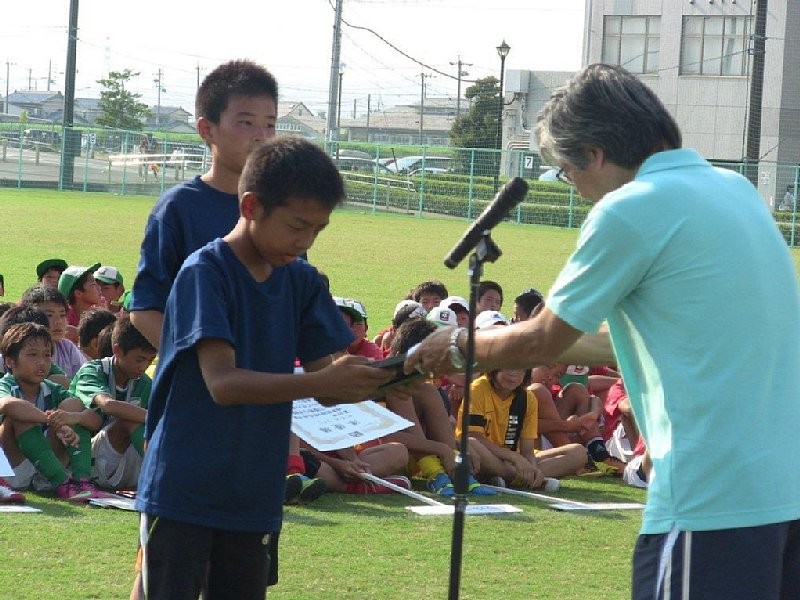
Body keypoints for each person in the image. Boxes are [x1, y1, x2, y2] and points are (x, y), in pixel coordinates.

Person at [407, 64, 800, 599]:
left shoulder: (631, 207)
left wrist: (457, 346)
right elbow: (649, 339)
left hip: (710, 497)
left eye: (567, 171)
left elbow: (542, 339)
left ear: (594, 154)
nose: (574, 188)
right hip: (783, 490)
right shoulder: (736, 190)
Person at [135, 137, 395, 600]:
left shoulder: (302, 280)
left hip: (255, 489)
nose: (305, 242)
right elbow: (223, 383)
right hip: (185, 485)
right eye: (297, 226)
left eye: (318, 230)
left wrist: (400, 373)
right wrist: (323, 380)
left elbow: (329, 385)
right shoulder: (205, 272)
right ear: (251, 206)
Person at [130, 59, 278, 349]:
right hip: (203, 376)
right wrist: (196, 363)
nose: (261, 136)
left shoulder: (280, 209)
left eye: (270, 125)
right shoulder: (178, 208)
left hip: (269, 375)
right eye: (246, 122)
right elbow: (146, 310)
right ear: (207, 129)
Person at [0, 323, 102, 502]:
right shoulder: (6, 384)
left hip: (46, 464)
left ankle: (82, 481)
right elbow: (8, 405)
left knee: (73, 405)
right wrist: (55, 422)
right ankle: (62, 483)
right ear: (10, 361)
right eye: (32, 355)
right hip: (12, 468)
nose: (42, 362)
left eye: (47, 355)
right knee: (21, 414)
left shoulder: (52, 388)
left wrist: (72, 418)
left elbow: (95, 420)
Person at [459, 369, 586, 488]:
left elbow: (527, 451)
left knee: (578, 452)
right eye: (509, 367)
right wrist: (513, 457)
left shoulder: (527, 398)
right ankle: (515, 477)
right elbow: (473, 435)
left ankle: (515, 477)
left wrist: (532, 468)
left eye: (521, 369)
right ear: (495, 367)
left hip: (514, 459)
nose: (514, 374)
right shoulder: (477, 389)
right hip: (487, 454)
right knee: (470, 444)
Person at [70, 318, 156, 491]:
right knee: (128, 419)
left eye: (150, 360)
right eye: (139, 359)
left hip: (127, 457)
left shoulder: (145, 382)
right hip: (87, 457)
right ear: (117, 350)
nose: (144, 367)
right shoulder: (92, 371)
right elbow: (108, 405)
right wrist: (157, 417)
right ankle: (163, 472)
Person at [19, 285, 86, 379]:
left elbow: (85, 378)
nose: (58, 321)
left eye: (62, 315)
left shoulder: (67, 348)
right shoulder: (19, 349)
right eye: (49, 315)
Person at [58, 263, 104, 342]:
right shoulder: (65, 319)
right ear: (78, 293)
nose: (99, 288)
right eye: (93, 284)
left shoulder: (96, 311)